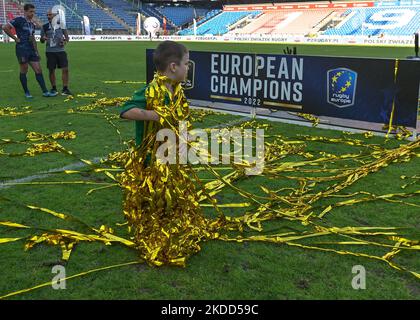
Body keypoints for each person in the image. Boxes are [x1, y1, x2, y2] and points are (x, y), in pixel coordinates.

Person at [119, 41, 208, 267]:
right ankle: (151, 219)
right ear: (173, 67)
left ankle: (166, 213)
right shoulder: (150, 92)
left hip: (171, 154)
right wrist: (154, 115)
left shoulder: (177, 91)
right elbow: (126, 111)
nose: (188, 68)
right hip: (151, 157)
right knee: (152, 191)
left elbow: (182, 118)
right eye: (186, 64)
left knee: (169, 189)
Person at [2, 3, 53, 98]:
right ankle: (27, 92)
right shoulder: (19, 20)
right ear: (25, 11)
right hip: (22, 49)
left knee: (38, 69)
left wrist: (36, 50)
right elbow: (5, 27)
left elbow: (32, 37)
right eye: (31, 11)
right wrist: (15, 38)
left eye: (33, 12)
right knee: (24, 70)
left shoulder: (32, 24)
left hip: (31, 49)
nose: (32, 13)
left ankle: (45, 92)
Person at [40, 8, 72, 96]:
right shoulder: (45, 26)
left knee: (65, 69)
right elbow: (41, 40)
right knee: (51, 70)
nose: (48, 16)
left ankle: (65, 89)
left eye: (50, 15)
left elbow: (67, 38)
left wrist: (64, 41)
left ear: (55, 15)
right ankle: (54, 88)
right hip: (50, 52)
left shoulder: (62, 25)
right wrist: (43, 38)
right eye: (47, 15)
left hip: (61, 51)